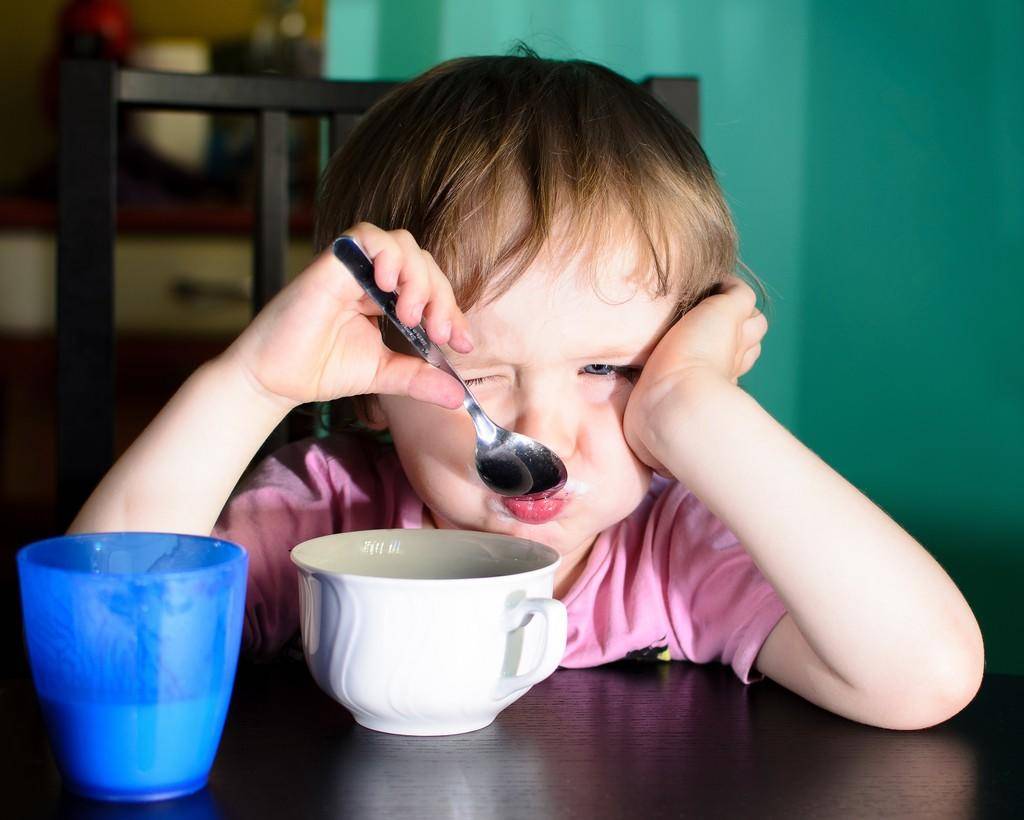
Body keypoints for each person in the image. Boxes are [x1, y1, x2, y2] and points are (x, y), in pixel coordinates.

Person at [69, 52, 983, 730]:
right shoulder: (329, 520)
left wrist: (697, 409)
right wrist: (252, 383)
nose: (542, 432)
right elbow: (102, 652)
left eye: (608, 371)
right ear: (372, 386)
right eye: (474, 374)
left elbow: (928, 676)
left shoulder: (672, 553)